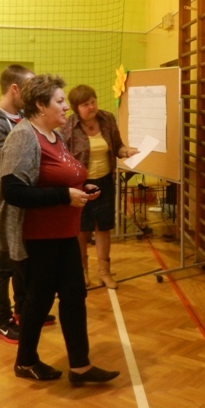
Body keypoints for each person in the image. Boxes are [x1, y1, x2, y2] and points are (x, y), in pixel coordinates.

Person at [0, 74, 120, 384]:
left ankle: (80, 367)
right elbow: (13, 192)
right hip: (37, 238)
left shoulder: (54, 135)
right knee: (39, 301)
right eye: (60, 101)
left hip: (63, 234)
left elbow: (58, 176)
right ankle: (25, 362)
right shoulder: (24, 136)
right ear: (40, 105)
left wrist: (82, 188)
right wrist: (64, 195)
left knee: (74, 296)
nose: (66, 107)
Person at [0, 64, 56, 344]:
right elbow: (12, 158)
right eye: (29, 88)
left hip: (24, 199)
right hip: (3, 202)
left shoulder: (22, 115)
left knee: (23, 259)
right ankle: (1, 321)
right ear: (15, 89)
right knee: (5, 264)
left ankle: (23, 310)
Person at [60, 84, 137, 289]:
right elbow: (63, 158)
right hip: (80, 185)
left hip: (105, 182)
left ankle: (104, 272)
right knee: (81, 229)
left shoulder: (107, 119)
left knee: (103, 227)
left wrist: (126, 152)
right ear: (76, 108)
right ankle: (82, 271)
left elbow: (117, 146)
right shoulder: (68, 126)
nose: (92, 107)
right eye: (85, 105)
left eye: (93, 102)